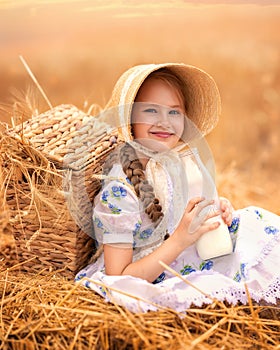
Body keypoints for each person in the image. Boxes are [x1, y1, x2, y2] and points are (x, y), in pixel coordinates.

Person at [75, 63, 280, 313]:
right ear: (129, 118)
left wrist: (216, 209)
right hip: (157, 270)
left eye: (174, 112)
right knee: (224, 276)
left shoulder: (175, 163)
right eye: (151, 110)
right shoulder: (119, 194)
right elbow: (119, 279)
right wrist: (180, 240)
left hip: (190, 250)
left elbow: (187, 208)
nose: (165, 122)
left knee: (255, 225)